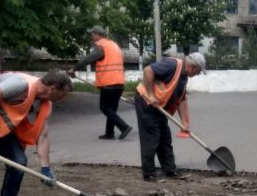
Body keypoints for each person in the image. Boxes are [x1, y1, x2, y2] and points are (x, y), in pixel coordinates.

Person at [135, 52, 206, 181]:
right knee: (151, 138)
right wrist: (151, 95)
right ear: (193, 67)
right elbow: (148, 70)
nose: (198, 74)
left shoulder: (184, 77)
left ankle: (170, 170)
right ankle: (149, 173)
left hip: (159, 107)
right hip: (146, 101)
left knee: (165, 138)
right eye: (199, 71)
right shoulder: (172, 64)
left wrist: (184, 122)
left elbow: (181, 99)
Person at [71, 25, 133, 141]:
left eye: (92, 34)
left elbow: (87, 59)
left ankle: (124, 127)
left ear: (97, 34)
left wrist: (74, 69)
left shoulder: (101, 46)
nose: (91, 36)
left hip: (108, 82)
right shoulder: (114, 45)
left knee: (104, 107)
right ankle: (109, 133)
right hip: (119, 82)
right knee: (111, 109)